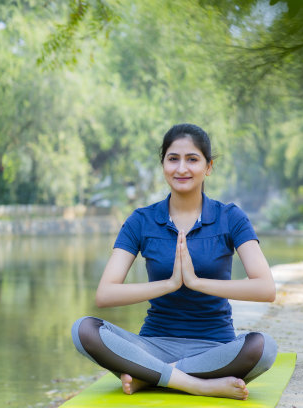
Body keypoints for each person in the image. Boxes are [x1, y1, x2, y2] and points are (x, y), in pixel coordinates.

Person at [71, 123, 277, 400]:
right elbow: (105, 294)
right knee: (83, 329)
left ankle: (152, 375)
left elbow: (265, 288)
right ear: (163, 164)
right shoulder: (141, 221)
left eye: (192, 159)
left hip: (214, 349)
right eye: (173, 159)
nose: (182, 169)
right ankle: (198, 385)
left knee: (263, 348)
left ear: (208, 166)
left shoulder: (230, 217)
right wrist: (170, 284)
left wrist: (196, 282)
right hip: (151, 346)